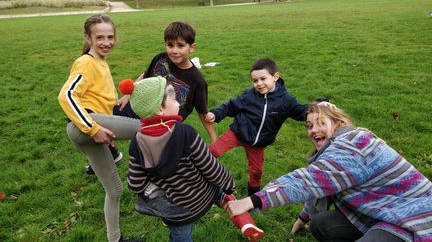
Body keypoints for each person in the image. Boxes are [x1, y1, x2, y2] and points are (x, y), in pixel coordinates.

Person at [225, 103, 432, 242]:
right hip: (380, 212)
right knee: (321, 223)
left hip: (413, 218)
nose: (313, 130)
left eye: (321, 123)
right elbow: (322, 184)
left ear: (338, 123)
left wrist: (250, 201)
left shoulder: (353, 147)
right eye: (309, 125)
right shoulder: (340, 146)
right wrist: (303, 218)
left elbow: (308, 181)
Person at [120, 77, 265, 241]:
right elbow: (210, 168)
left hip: (178, 212)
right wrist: (228, 183)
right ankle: (242, 219)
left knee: (181, 237)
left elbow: (135, 184)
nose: (178, 103)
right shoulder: (185, 133)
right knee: (221, 192)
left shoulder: (136, 143)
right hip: (204, 195)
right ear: (160, 109)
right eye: (174, 99)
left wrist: (156, 187)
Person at [58, 14, 144, 242]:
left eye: (110, 37)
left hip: (88, 130)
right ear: (88, 38)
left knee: (115, 190)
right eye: (100, 37)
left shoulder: (100, 62)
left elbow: (99, 99)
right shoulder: (86, 62)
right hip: (85, 126)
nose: (106, 42)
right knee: (147, 128)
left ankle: (114, 240)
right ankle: (163, 179)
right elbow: (66, 95)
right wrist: (94, 128)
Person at [205, 58, 311, 196]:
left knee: (256, 172)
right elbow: (231, 106)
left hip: (258, 144)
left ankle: (253, 199)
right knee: (213, 151)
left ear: (275, 77)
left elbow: (301, 111)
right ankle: (193, 174)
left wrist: (319, 106)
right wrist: (216, 113)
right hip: (237, 133)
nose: (259, 84)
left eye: (263, 79)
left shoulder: (286, 100)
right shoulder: (249, 96)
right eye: (255, 81)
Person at [114, 21, 217, 143]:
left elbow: (202, 112)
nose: (174, 50)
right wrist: (127, 95)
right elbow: (145, 74)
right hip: (142, 111)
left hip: (165, 127)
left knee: (155, 154)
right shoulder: (161, 59)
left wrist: (214, 139)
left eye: (180, 45)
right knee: (107, 117)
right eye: (170, 45)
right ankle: (111, 151)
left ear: (192, 47)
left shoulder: (197, 79)